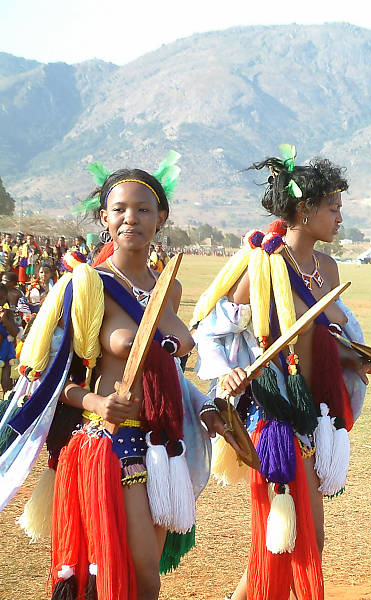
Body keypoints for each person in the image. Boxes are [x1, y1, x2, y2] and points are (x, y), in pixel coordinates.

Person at [0, 155, 234, 600]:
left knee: (145, 581)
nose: (132, 218)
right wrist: (97, 403)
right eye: (121, 209)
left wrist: (206, 406)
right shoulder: (84, 286)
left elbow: (168, 368)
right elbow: (49, 382)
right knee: (139, 574)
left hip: (165, 444)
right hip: (112, 443)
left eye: (144, 209)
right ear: (104, 218)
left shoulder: (169, 286)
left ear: (161, 218)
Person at [191, 146, 371, 600]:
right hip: (273, 417)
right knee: (302, 540)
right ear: (305, 209)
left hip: (314, 416)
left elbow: (326, 341)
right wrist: (228, 376)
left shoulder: (329, 267)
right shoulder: (261, 265)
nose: (340, 218)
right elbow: (214, 331)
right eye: (333, 208)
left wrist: (359, 360)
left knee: (277, 546)